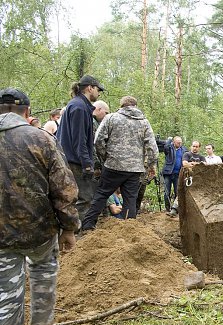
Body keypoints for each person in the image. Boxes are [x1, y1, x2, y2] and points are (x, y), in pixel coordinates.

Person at [0, 88, 79, 325]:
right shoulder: (41, 139)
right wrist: (70, 228)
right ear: (27, 110)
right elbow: (64, 188)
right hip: (39, 232)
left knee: (6, 297)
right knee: (44, 273)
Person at [81, 96, 158, 231]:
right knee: (130, 200)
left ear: (121, 105)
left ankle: (88, 226)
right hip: (135, 169)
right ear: (135, 106)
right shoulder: (144, 122)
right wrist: (150, 165)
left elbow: (98, 141)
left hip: (113, 166)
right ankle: (130, 231)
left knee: (102, 194)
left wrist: (105, 157)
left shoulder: (111, 118)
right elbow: (153, 148)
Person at [56, 75, 105, 224]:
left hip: (71, 158)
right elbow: (80, 140)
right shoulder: (79, 107)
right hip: (74, 161)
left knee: (77, 197)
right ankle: (80, 237)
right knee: (84, 198)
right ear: (89, 88)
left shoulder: (78, 105)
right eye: (98, 89)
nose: (99, 93)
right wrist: (87, 164)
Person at [157, 136, 187, 211]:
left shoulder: (184, 150)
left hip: (178, 174)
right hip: (168, 173)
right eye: (178, 142)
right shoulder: (169, 148)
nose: (179, 143)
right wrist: (169, 140)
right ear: (174, 142)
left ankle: (176, 209)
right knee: (167, 192)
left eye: (180, 142)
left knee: (178, 192)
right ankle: (168, 209)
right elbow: (165, 147)